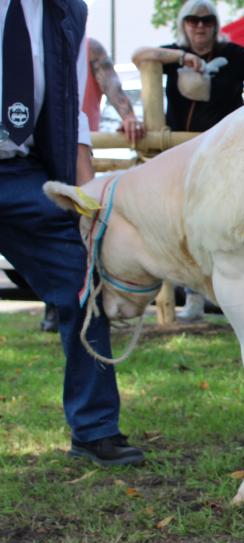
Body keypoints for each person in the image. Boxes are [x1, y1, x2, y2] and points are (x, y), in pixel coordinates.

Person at [0, 0, 144, 466]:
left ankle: (95, 429)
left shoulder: (68, 11)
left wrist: (86, 200)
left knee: (83, 283)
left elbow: (71, 110)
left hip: (24, 172)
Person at [132, 0, 244, 321]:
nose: (199, 26)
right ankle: (194, 298)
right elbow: (139, 56)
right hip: (181, 159)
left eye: (206, 21)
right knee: (185, 226)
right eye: (192, 20)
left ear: (216, 26)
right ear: (183, 25)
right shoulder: (172, 56)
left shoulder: (233, 56)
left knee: (229, 226)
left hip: (227, 160)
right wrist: (182, 57)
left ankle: (237, 299)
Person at [41, 36, 146, 334]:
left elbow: (110, 81)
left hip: (79, 145)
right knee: (53, 226)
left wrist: (129, 116)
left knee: (87, 222)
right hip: (38, 146)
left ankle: (89, 302)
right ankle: (58, 305)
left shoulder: (87, 45)